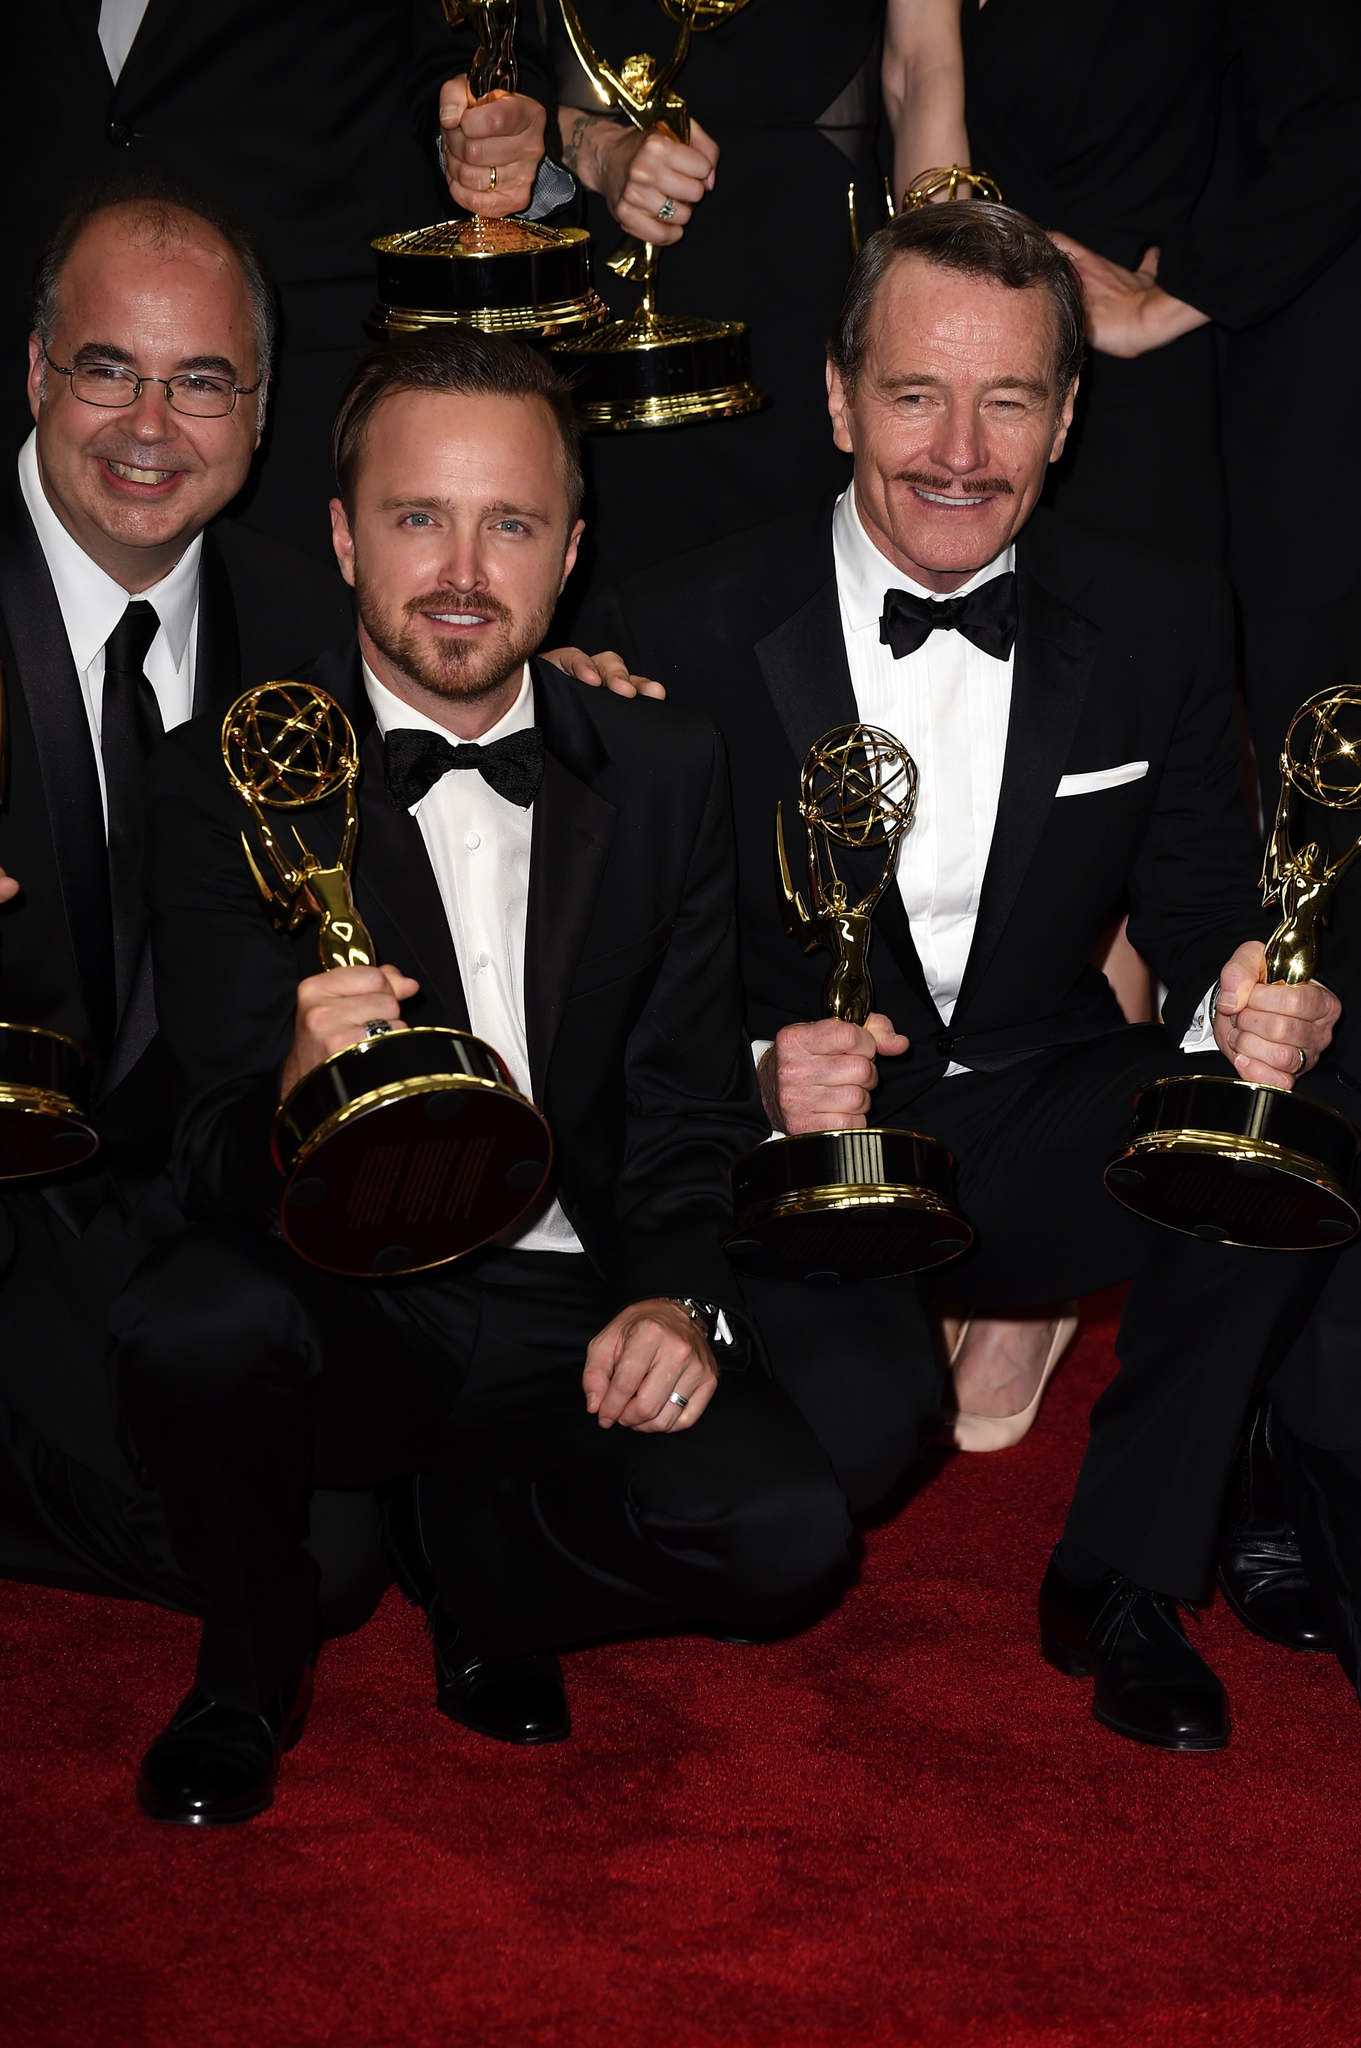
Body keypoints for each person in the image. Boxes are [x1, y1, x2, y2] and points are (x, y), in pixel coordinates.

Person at [580, 202, 1350, 1753]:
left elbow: (1203, 907)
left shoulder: (1160, 616)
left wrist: (1255, 999)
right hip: (796, 1156)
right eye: (916, 394)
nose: (959, 450)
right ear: (837, 396)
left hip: (1030, 1110)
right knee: (862, 1451)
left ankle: (1123, 1574)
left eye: (1008, 401)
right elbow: (611, 980)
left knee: (1276, 1118)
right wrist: (752, 1068)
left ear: (1067, 419)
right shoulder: (675, 628)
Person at [114, 332, 855, 1827]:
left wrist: (674, 1296)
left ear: (571, 551)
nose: (462, 568)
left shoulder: (666, 765)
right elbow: (192, 1153)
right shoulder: (223, 778)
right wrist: (290, 1088)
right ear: (338, 534)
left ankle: (477, 1567)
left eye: (509, 522)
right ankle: (246, 1673)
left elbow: (688, 1108)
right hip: (350, 1296)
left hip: (565, 1299)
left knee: (788, 1545)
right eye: (415, 517)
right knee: (195, 1319)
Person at [0, 188, 398, 1634]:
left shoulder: (313, 632)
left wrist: (589, 689)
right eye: (109, 368)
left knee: (331, 1561)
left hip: (179, 1219)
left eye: (201, 381)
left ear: (263, 409)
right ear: (37, 373)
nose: (149, 427)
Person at [1, 2, 569, 563]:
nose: (149, 428)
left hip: (303, 403)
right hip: (36, 346)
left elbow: (474, 44)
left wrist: (481, 140)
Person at [547, 0, 897, 619]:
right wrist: (599, 152)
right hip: (620, 283)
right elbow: (497, 80)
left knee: (807, 605)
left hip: (822, 285)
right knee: (618, 614)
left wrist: (942, 297)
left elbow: (922, 78)